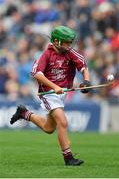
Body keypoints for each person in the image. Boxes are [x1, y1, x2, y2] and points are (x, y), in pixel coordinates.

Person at [10, 26, 91, 166]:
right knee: (63, 122)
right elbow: (37, 74)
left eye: (70, 42)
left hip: (61, 94)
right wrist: (55, 87)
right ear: (56, 41)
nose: (69, 45)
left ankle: (24, 113)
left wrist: (86, 81)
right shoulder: (46, 55)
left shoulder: (70, 53)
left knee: (49, 128)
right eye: (66, 42)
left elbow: (83, 66)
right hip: (48, 93)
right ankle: (68, 158)